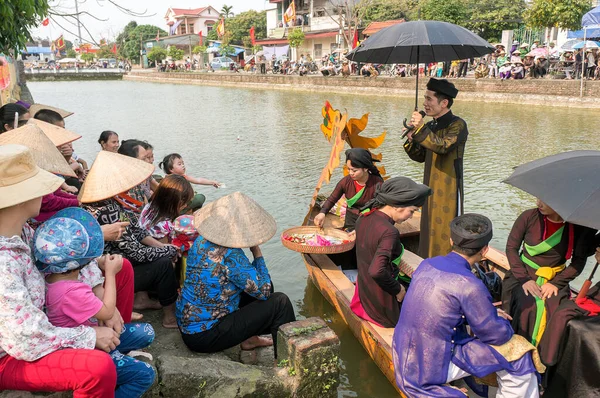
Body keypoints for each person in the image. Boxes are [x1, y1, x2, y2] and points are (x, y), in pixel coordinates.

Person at [0, 144, 118, 396]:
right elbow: (25, 338)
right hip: (7, 353)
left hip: (38, 326)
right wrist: (87, 335)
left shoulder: (22, 231)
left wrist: (98, 289)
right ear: (21, 198)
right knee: (97, 369)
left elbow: (63, 258)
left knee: (122, 270)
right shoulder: (3, 263)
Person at [393, 213, 541, 397]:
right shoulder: (469, 284)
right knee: (520, 355)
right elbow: (496, 335)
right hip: (433, 362)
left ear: (451, 240)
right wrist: (496, 318)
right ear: (485, 250)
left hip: (404, 351)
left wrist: (486, 311)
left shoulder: (428, 264)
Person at [34, 210, 156, 398]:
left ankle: (118, 357)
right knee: (145, 374)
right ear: (84, 261)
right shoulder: (72, 291)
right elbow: (107, 312)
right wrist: (110, 273)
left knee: (147, 332)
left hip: (91, 335)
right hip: (88, 347)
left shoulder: (53, 280)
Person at [177, 192, 296, 357]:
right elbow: (265, 290)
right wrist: (257, 252)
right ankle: (285, 362)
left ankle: (249, 339)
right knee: (280, 302)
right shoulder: (230, 254)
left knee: (253, 288)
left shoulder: (201, 240)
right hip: (204, 335)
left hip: (188, 322)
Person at [79, 150, 180, 329]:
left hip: (107, 266)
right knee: (164, 264)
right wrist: (170, 250)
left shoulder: (104, 203)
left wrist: (162, 246)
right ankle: (169, 317)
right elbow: (138, 253)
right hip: (108, 271)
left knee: (162, 252)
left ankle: (142, 299)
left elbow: (137, 230)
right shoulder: (108, 210)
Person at [502, 199, 596, 348]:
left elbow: (578, 262)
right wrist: (525, 279)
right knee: (528, 306)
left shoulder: (576, 228)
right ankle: (518, 350)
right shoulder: (528, 217)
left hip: (556, 278)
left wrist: (555, 284)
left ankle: (544, 359)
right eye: (538, 198)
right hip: (522, 274)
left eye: (545, 201)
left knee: (557, 312)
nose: (539, 203)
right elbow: (511, 248)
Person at [350, 177, 431, 328]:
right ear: (397, 205)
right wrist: (398, 289)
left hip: (365, 294)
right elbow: (376, 271)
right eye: (411, 211)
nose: (411, 217)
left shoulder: (364, 217)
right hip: (382, 309)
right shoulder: (389, 231)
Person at [404, 78, 468, 259]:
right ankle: (426, 262)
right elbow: (419, 157)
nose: (425, 103)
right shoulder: (430, 125)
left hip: (448, 187)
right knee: (427, 225)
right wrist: (411, 137)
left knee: (443, 228)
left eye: (429, 99)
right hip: (430, 185)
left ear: (444, 102)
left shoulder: (458, 125)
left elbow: (442, 146)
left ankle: (443, 266)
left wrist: (422, 130)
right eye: (424, 98)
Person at [314, 148, 384, 232]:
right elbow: (332, 199)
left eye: (354, 170)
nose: (350, 173)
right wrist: (322, 213)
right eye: (348, 169)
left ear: (365, 168)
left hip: (370, 223)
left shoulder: (378, 183)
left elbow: (381, 209)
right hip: (351, 222)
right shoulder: (345, 182)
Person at [138, 175, 194, 242]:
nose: (185, 205)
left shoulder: (150, 206)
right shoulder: (164, 225)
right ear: (174, 201)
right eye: (184, 203)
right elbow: (164, 247)